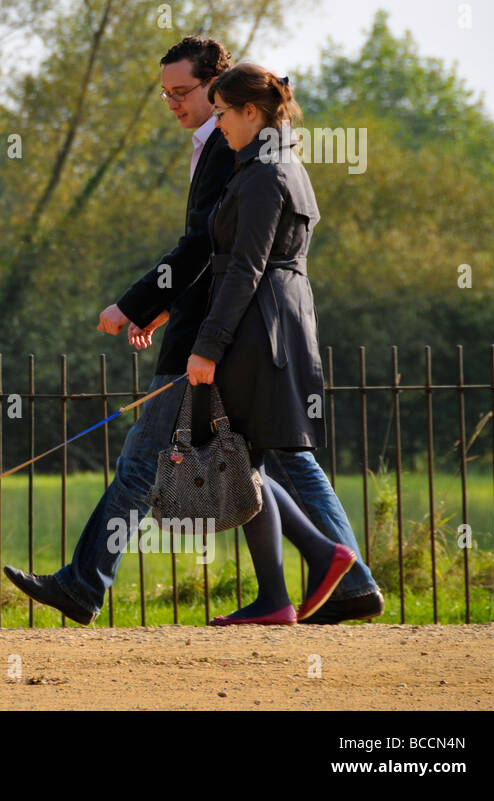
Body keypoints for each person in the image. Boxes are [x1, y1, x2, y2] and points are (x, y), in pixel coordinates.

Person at [3, 38, 382, 624]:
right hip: (232, 329)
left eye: (183, 93)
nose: (173, 104)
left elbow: (219, 253)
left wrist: (149, 310)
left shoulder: (245, 161)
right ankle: (324, 581)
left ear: (223, 94)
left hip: (228, 335)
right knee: (257, 459)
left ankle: (85, 584)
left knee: (162, 458)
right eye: (165, 94)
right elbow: (221, 253)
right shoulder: (248, 153)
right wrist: (162, 310)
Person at [185, 62, 365, 623]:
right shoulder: (278, 165)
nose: (218, 126)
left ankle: (322, 564)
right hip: (276, 321)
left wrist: (208, 345)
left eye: (222, 114)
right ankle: (281, 593)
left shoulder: (266, 173)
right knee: (242, 457)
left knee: (243, 454)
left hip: (259, 329)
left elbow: (246, 266)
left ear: (250, 112)